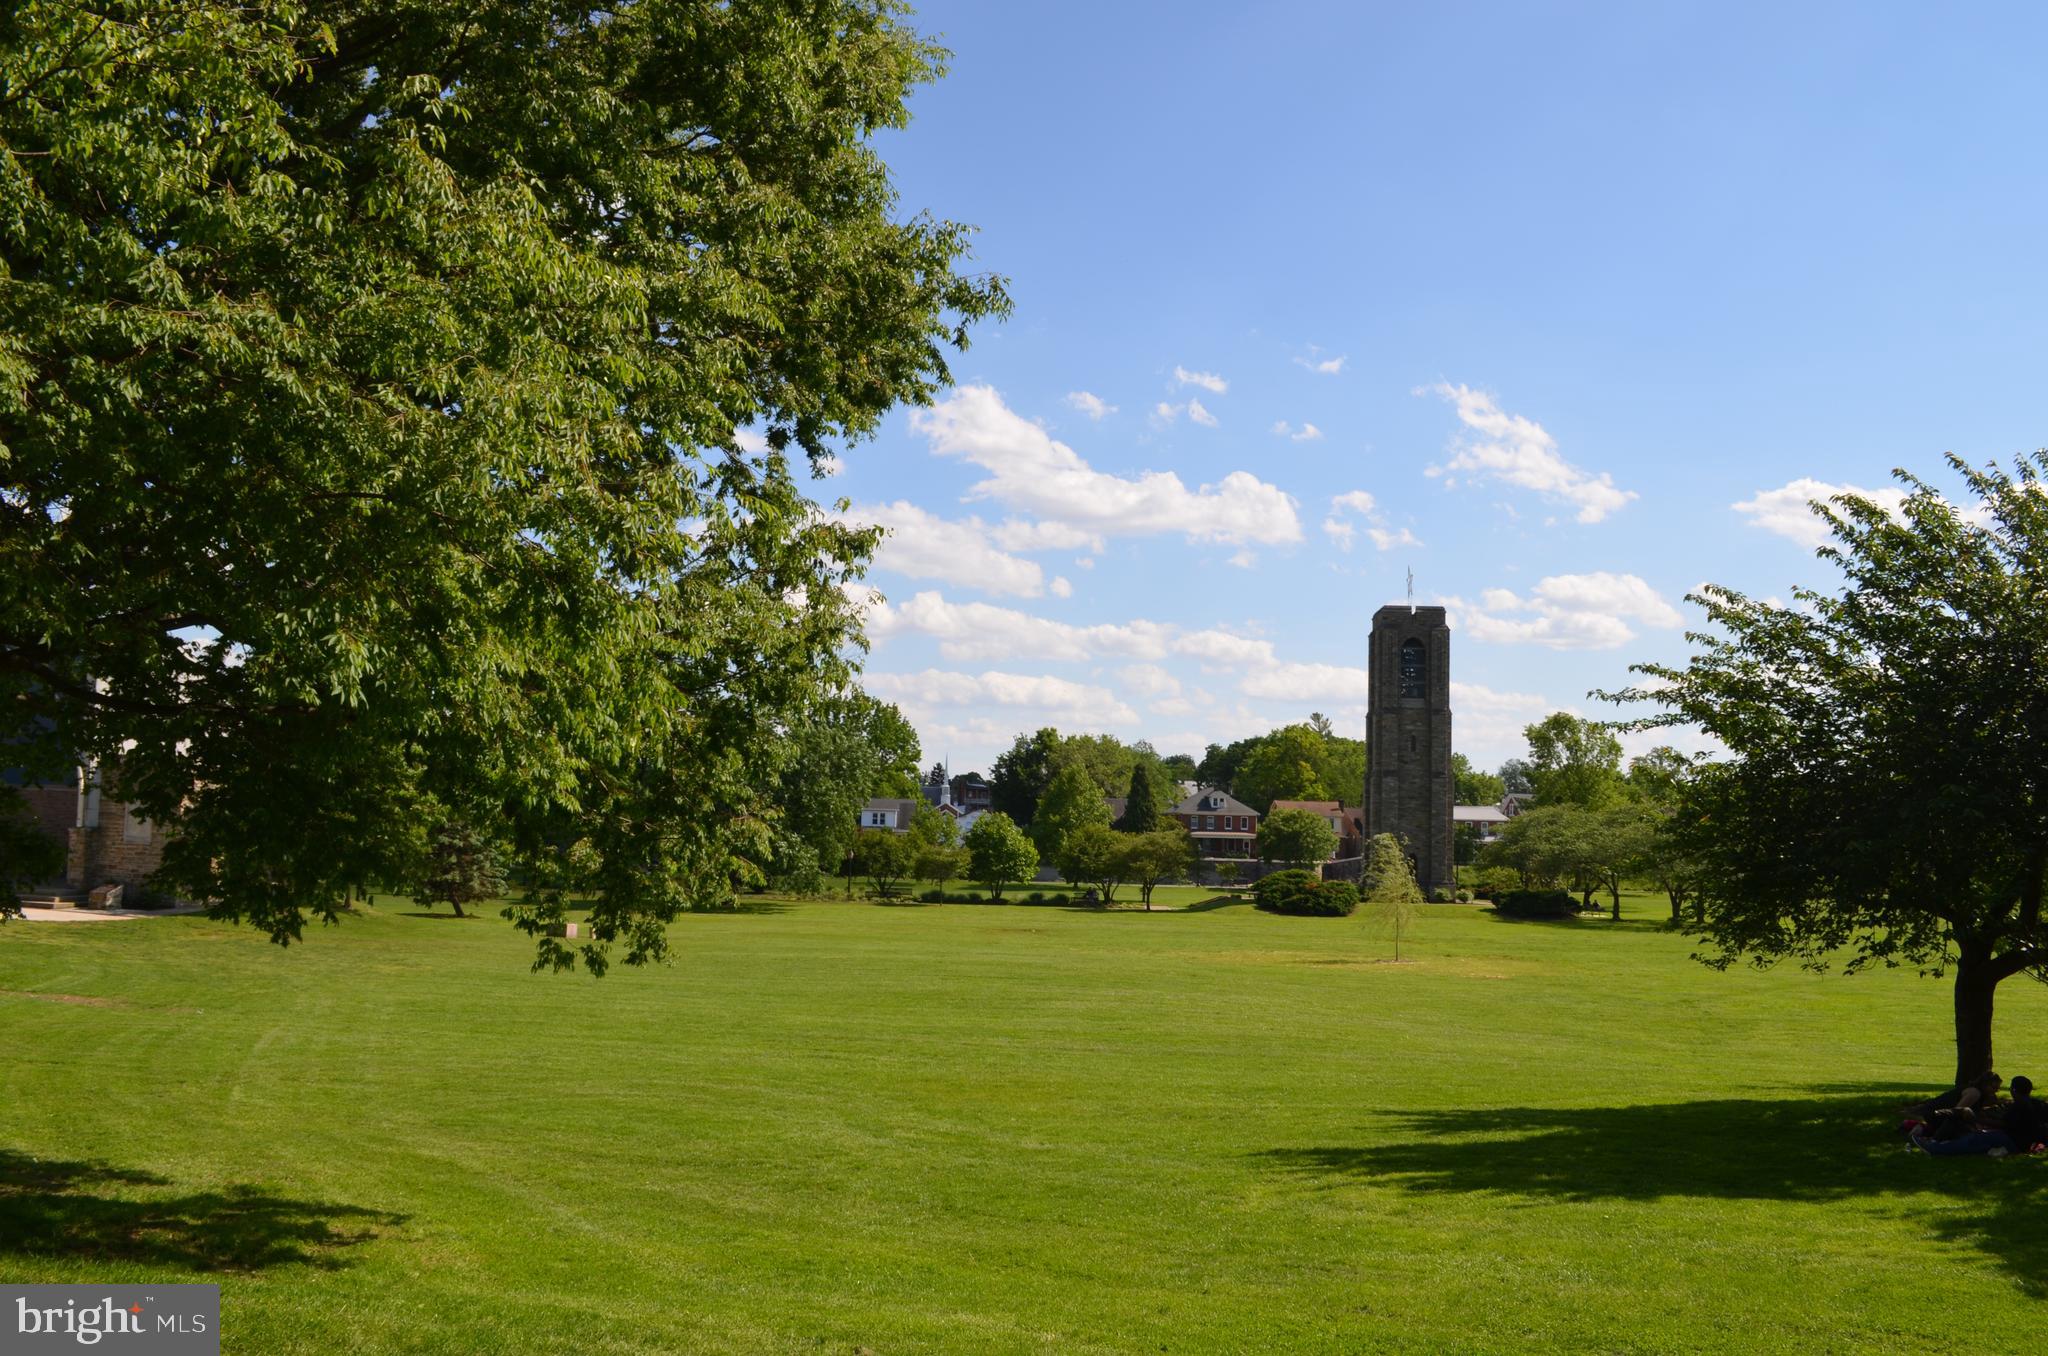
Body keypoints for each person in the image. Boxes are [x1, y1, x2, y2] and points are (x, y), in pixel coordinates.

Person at [1998, 1075, 2048, 1154]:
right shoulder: (2038, 1103)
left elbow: (2004, 1124)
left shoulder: (2018, 1105)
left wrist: (1979, 1119)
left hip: (2017, 1142)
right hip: (2033, 1140)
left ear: (2013, 1090)